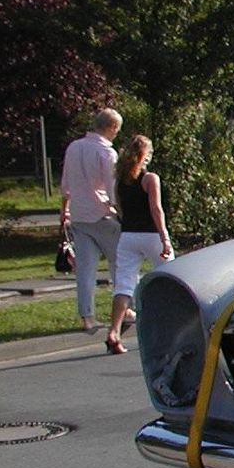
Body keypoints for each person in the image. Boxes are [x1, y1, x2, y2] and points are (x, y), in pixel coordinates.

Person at [104, 135, 173, 355]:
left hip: (128, 236)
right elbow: (156, 209)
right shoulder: (149, 178)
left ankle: (114, 330)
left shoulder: (121, 181)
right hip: (151, 235)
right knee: (170, 277)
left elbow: (119, 210)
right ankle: (168, 327)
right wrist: (164, 236)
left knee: (124, 284)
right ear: (145, 155)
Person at [59, 108, 123, 333]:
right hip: (102, 214)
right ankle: (125, 307)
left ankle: (87, 317)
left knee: (85, 270)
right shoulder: (107, 152)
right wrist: (120, 211)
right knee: (120, 262)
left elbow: (66, 184)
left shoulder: (74, 147)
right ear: (111, 128)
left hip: (79, 214)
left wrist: (64, 211)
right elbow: (111, 187)